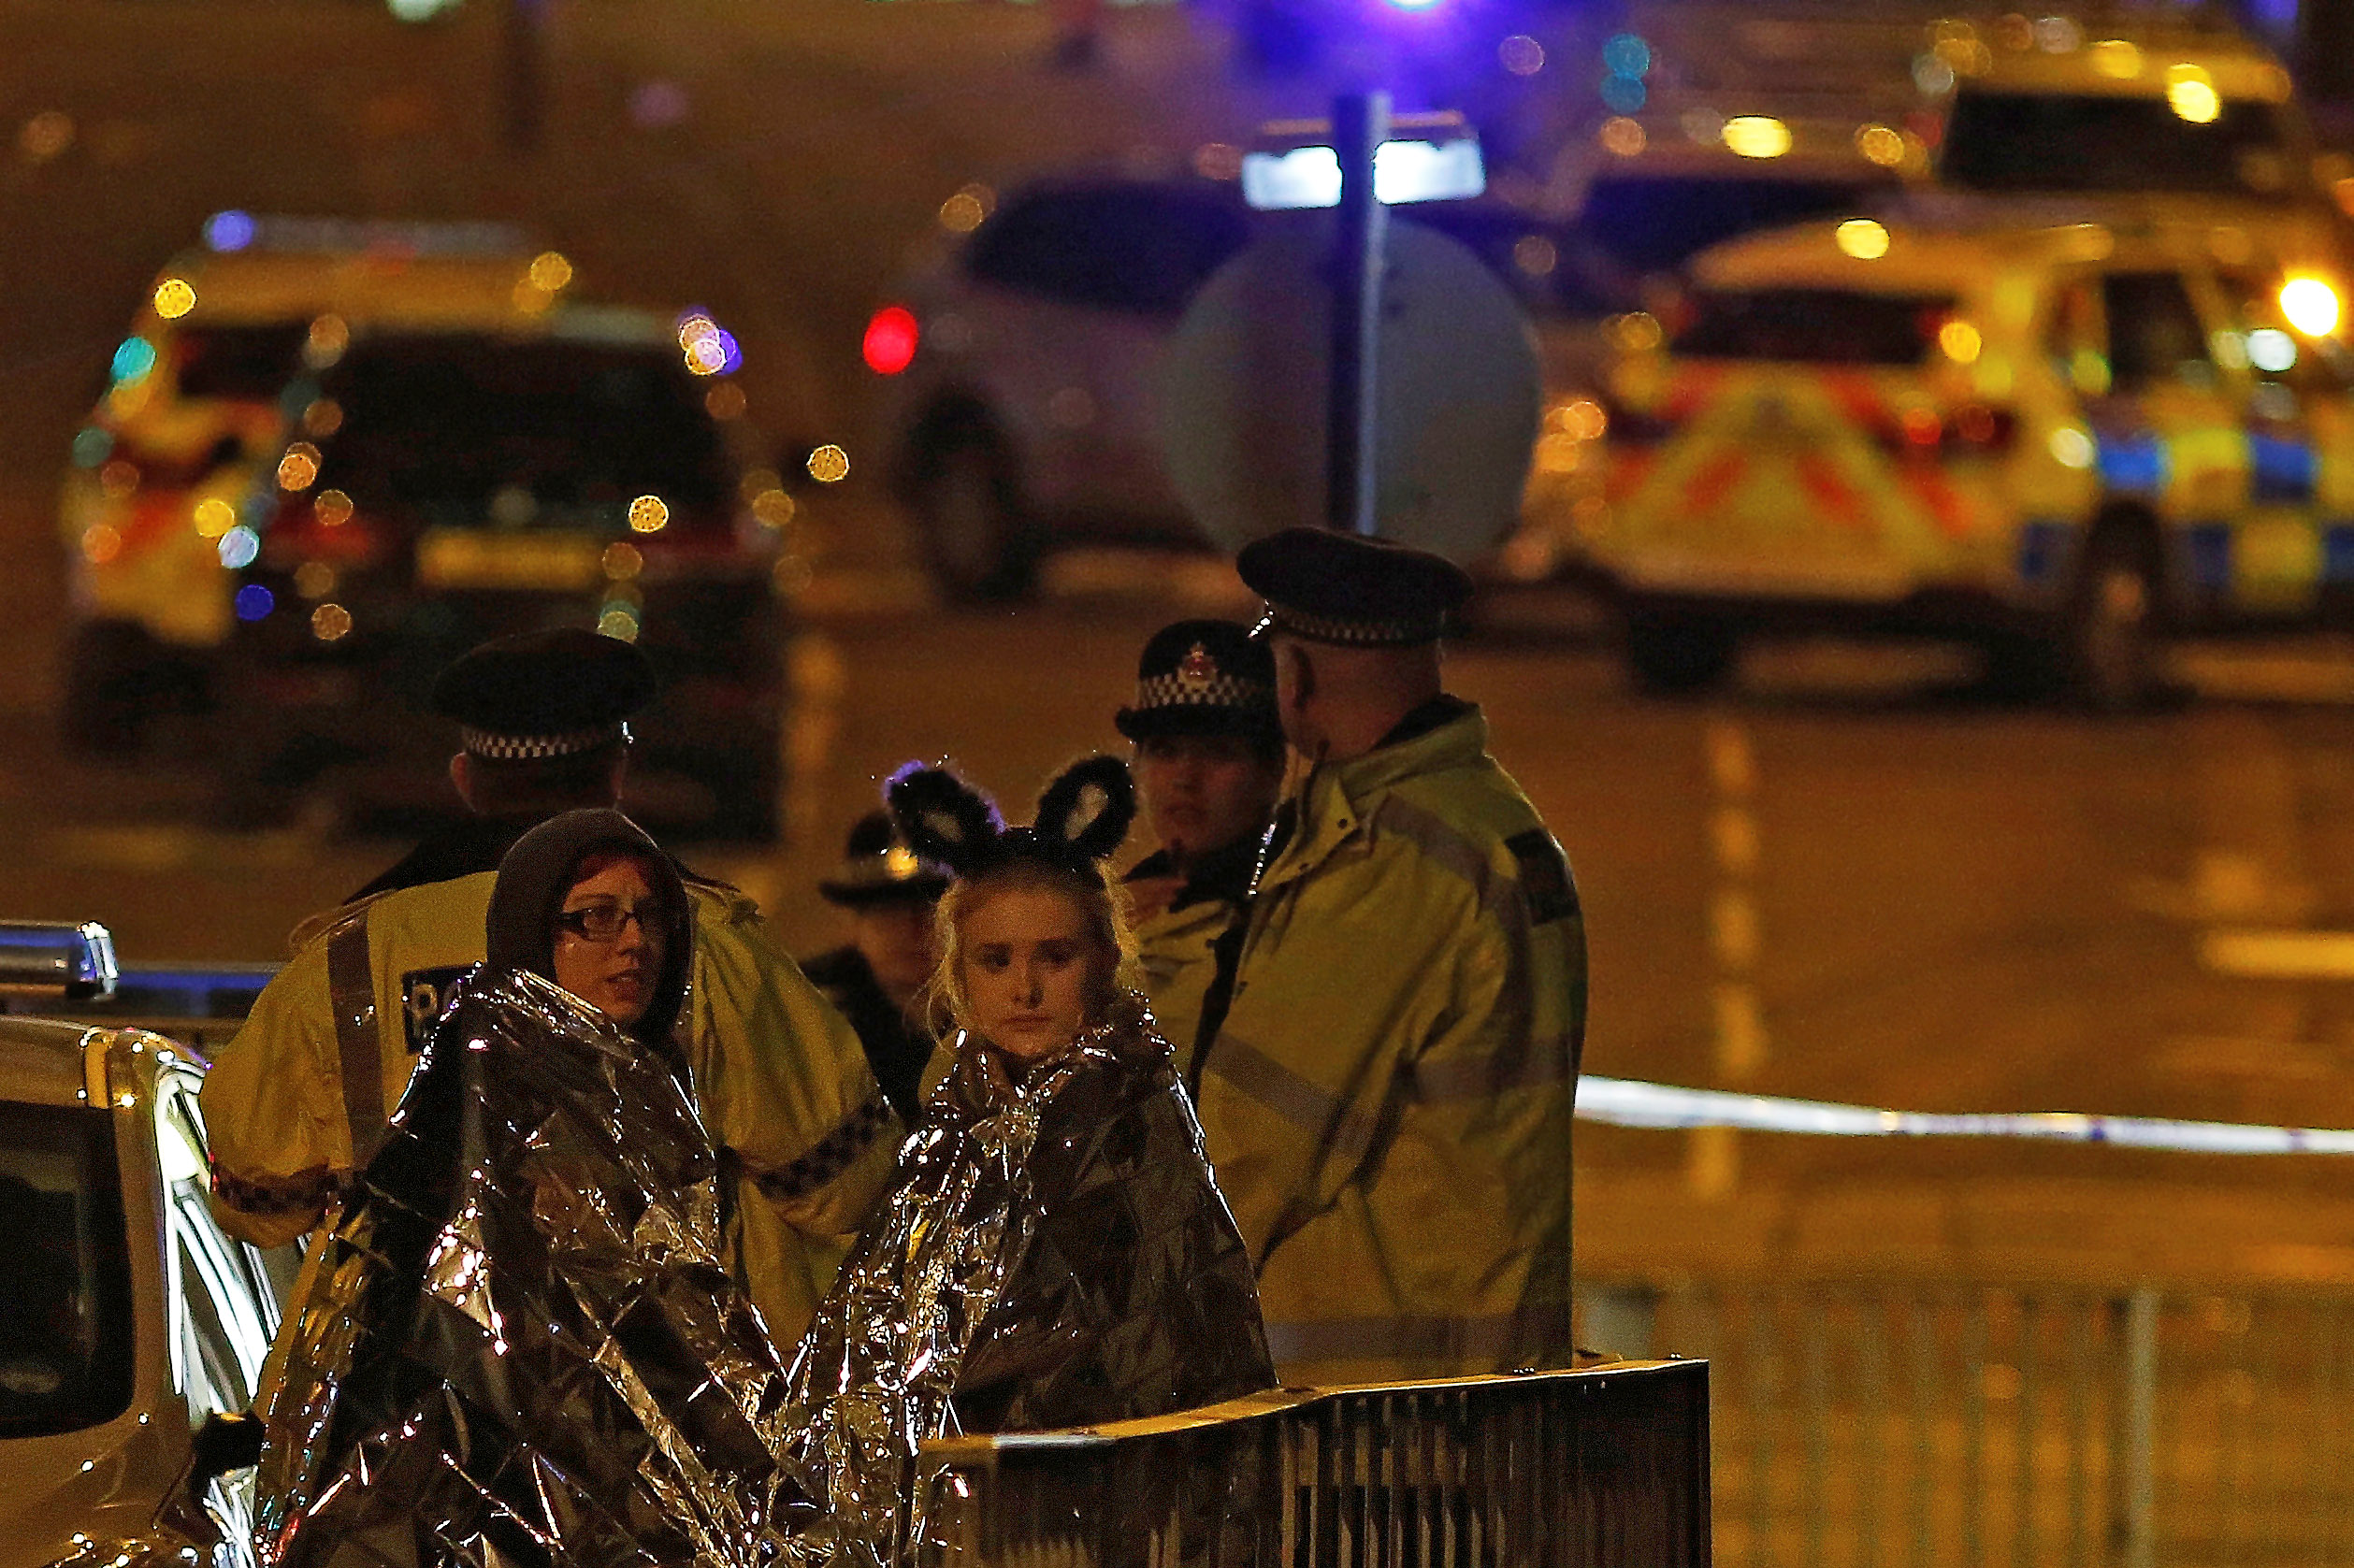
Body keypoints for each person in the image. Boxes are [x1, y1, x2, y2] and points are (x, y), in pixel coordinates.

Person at [202, 628, 896, 1347]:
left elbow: (256, 1201)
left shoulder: (345, 962)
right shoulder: (704, 943)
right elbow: (844, 1185)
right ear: (617, 768)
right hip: (668, 1403)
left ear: (466, 776)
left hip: (412, 1392)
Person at [257, 811, 808, 1568]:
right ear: (533, 930)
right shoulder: (493, 1071)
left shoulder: (642, 1079)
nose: (634, 942)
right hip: (486, 1492)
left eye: (650, 916)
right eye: (595, 918)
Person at [782, 756, 1274, 1567]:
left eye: (1054, 955)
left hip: (1088, 1527)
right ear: (958, 971)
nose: (1026, 988)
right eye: (995, 960)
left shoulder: (1125, 1116)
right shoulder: (957, 1120)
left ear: (1103, 960)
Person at [1194, 526, 1587, 1388]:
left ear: (1294, 678)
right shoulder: (1486, 819)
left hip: (1373, 1411)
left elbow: (1252, 1143)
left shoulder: (1389, 861)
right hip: (1466, 1383)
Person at [1112, 619, 1286, 1065]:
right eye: (1165, 751)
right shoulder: (1123, 903)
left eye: (1218, 752)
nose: (1185, 779)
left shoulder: (1295, 910)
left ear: (1272, 771)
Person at [802, 811, 947, 1124]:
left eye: (930, 907)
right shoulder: (810, 1015)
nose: (911, 929)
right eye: (887, 911)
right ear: (854, 923)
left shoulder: (996, 1011)